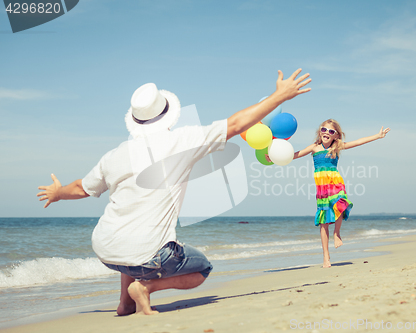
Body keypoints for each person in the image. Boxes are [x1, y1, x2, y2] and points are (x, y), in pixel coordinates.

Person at [37, 69, 311, 315]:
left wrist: (57, 193)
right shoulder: (182, 140)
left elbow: (80, 188)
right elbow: (237, 124)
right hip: (148, 255)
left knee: (131, 242)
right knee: (202, 269)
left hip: (105, 248)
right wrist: (279, 96)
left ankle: (125, 304)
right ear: (167, 114)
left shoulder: (115, 155)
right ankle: (145, 290)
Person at [292, 119, 390, 268]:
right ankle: (326, 256)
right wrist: (274, 157)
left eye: (331, 131)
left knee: (342, 204)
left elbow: (358, 142)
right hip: (322, 186)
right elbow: (295, 155)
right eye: (324, 129)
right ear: (320, 131)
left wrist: (377, 136)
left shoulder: (336, 147)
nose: (326, 133)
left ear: (336, 136)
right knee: (324, 220)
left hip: (336, 182)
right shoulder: (314, 148)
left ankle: (337, 233)